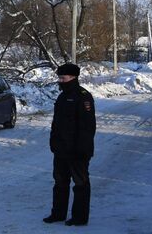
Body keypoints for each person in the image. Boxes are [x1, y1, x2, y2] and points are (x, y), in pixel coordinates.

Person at [43, 63, 96, 226]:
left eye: (63, 78)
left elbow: (88, 127)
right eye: (59, 78)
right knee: (60, 183)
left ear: (73, 78)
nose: (60, 81)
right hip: (61, 150)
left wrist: (82, 149)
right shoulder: (62, 96)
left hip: (78, 151)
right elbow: (56, 123)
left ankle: (80, 217)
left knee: (80, 184)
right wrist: (53, 141)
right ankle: (58, 213)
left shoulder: (83, 96)